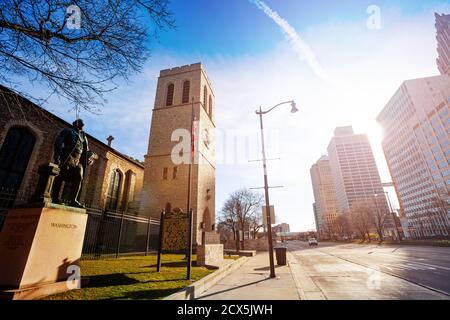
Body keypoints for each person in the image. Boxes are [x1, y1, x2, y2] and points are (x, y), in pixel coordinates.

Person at [52, 119, 95, 208]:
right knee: (61, 176)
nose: (84, 124)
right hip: (67, 157)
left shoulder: (84, 136)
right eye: (82, 122)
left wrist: (89, 158)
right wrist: (57, 155)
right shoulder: (68, 131)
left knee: (79, 177)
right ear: (77, 124)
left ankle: (73, 200)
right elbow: (59, 142)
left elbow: (86, 150)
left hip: (77, 160)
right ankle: (55, 197)